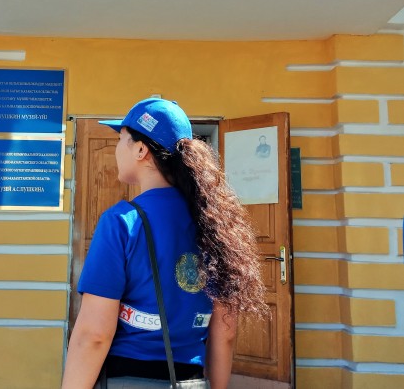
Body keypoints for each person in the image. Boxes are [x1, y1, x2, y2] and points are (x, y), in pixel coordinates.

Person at [61, 98, 267, 389]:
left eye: (121, 139)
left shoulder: (122, 222)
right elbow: (226, 331)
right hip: (191, 381)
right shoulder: (218, 226)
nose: (117, 149)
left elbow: (93, 336)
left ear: (141, 150)